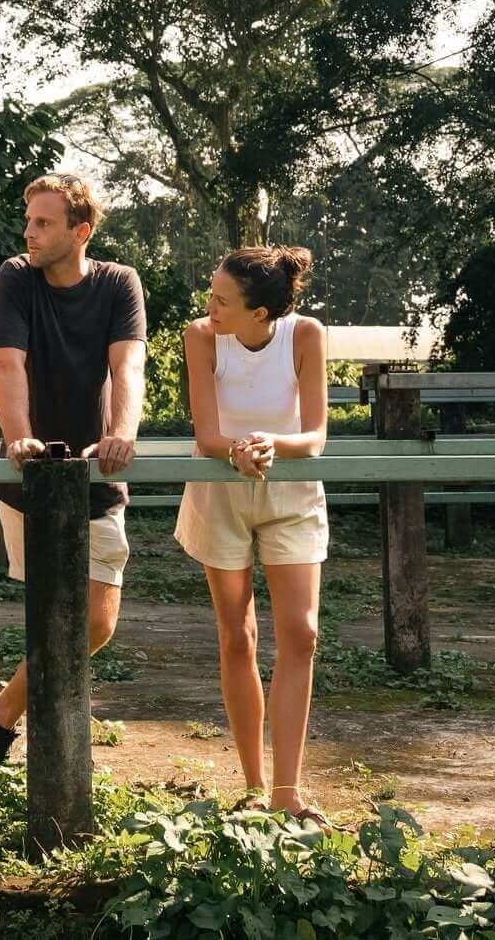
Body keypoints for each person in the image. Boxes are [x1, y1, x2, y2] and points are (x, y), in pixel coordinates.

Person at [0, 173, 145, 779]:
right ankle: (54, 766)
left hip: (96, 472)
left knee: (96, 621)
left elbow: (128, 363)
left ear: (81, 232)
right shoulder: (16, 276)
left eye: (43, 223)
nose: (29, 232)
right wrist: (18, 435)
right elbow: (8, 363)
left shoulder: (119, 283)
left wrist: (123, 432)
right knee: (52, 616)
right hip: (30, 476)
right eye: (29, 220)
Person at [174, 245, 330, 821]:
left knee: (302, 634)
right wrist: (239, 450)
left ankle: (288, 794)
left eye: (221, 299)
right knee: (237, 635)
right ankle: (253, 785)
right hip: (221, 488)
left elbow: (314, 435)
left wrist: (267, 444)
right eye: (212, 292)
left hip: (290, 489)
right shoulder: (200, 336)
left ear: (260, 313)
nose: (209, 305)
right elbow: (208, 431)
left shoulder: (306, 336)